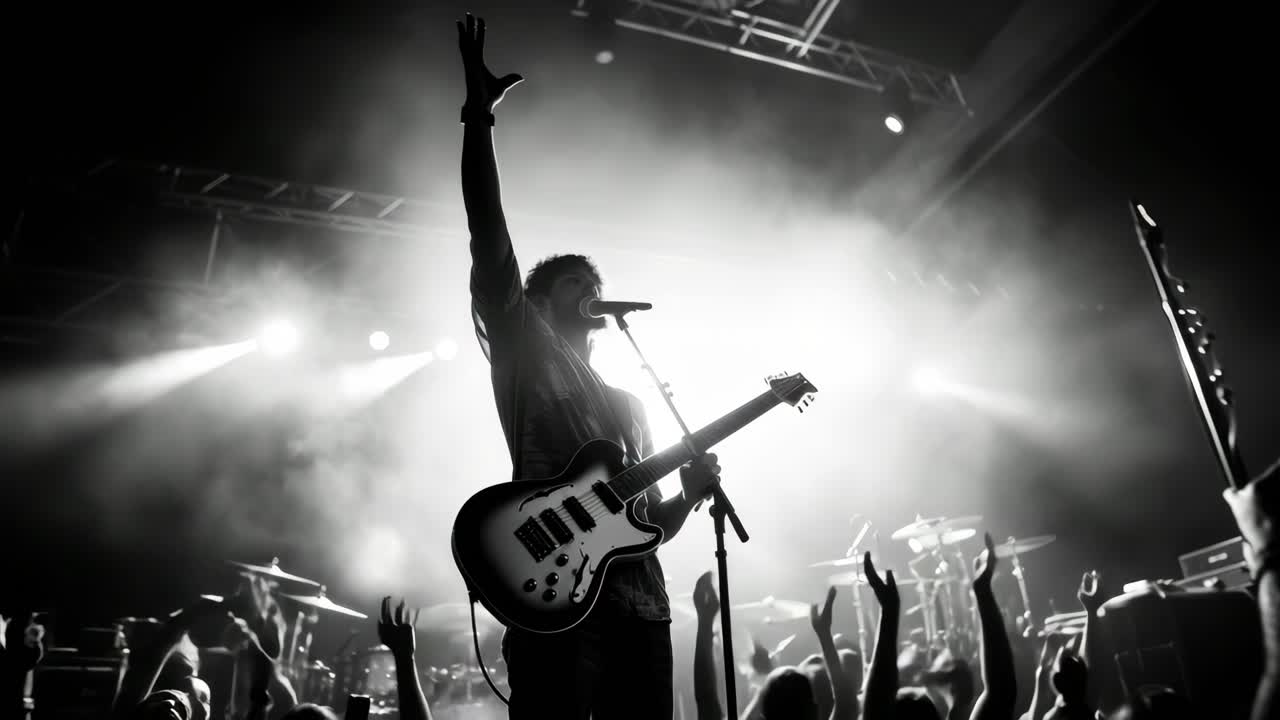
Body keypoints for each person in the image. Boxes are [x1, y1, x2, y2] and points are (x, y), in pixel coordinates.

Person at [456, 12, 719, 719]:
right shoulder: (525, 348)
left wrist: (690, 493)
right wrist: (477, 122)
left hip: (643, 610)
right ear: (537, 302)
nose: (589, 286)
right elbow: (489, 237)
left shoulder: (629, 406)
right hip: (556, 604)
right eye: (572, 279)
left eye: (592, 278)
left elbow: (638, 526)